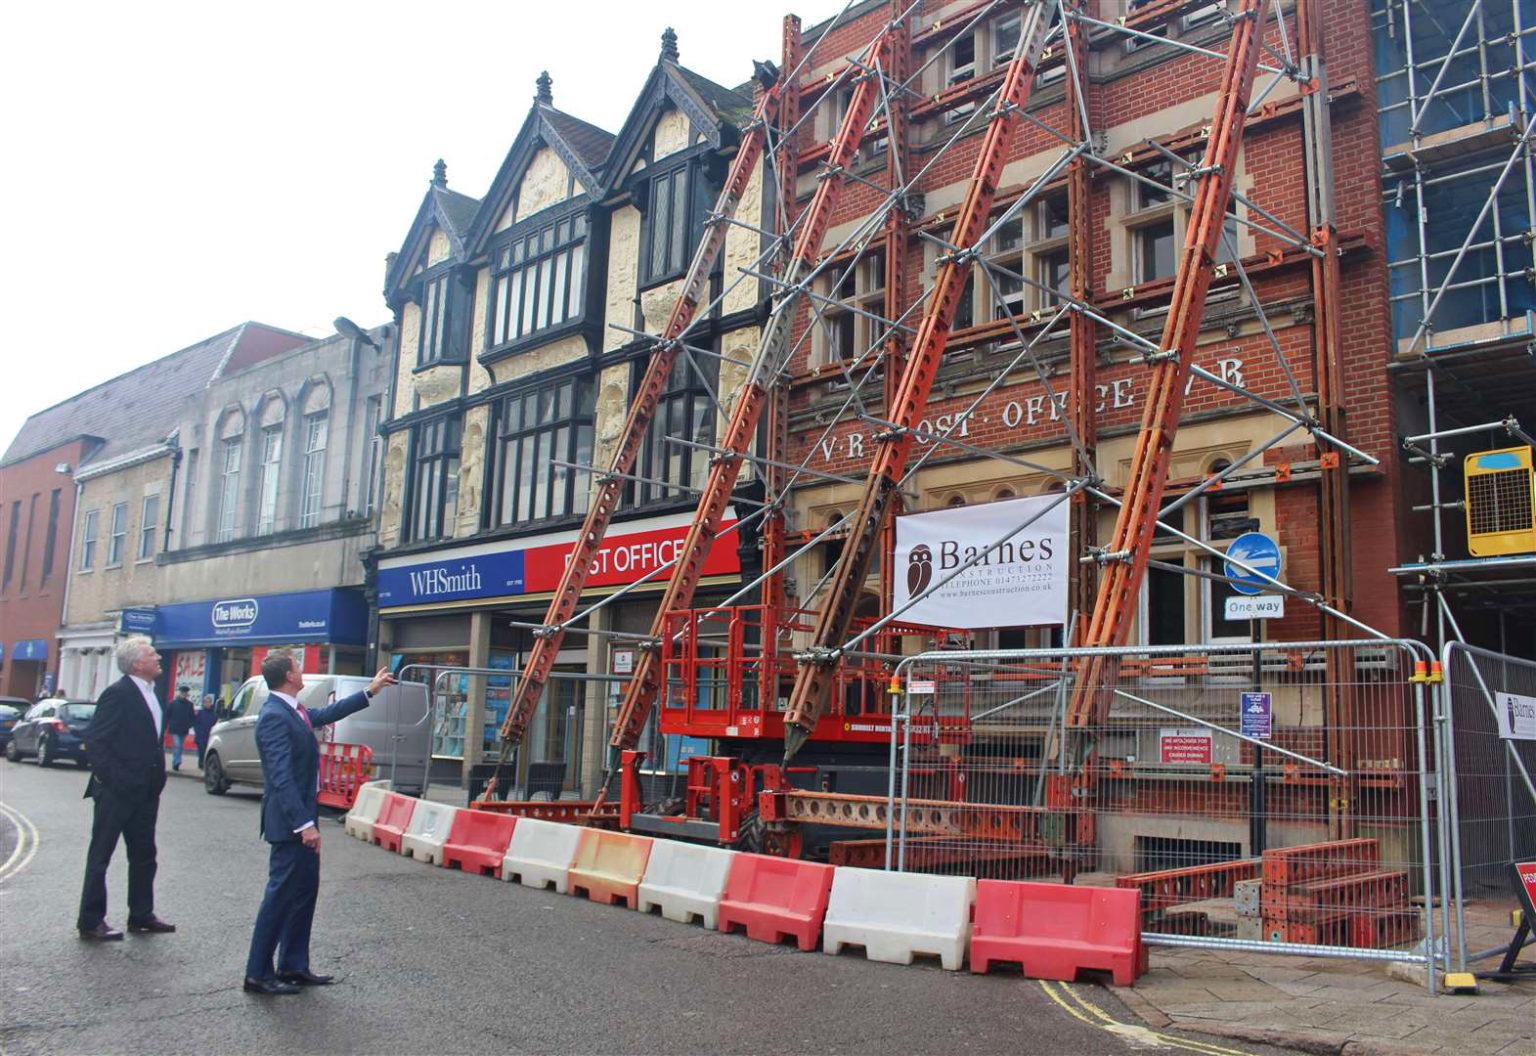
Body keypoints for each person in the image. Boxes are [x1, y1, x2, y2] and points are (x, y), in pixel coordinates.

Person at [243, 653, 395, 995]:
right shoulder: (273, 716)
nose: (302, 671)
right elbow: (280, 777)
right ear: (287, 676)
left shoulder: (293, 709)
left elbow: (327, 714)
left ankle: (294, 964)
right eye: (298, 668)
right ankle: (257, 973)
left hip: (304, 817)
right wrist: (303, 825)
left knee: (303, 893)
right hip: (290, 823)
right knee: (279, 896)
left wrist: (370, 691)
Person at [76, 636, 175, 941]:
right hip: (117, 791)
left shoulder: (151, 692)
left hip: (145, 793)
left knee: (145, 855)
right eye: (152, 654)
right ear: (136, 664)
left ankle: (141, 914)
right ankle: (91, 920)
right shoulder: (117, 693)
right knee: (101, 856)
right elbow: (96, 741)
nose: (158, 657)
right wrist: (116, 780)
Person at [166, 685, 195, 771]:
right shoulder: (173, 703)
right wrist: (168, 724)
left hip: (184, 728)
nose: (184, 694)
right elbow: (168, 715)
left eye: (185, 693)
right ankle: (177, 762)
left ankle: (176, 760)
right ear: (180, 693)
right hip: (174, 728)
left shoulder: (189, 705)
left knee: (180, 746)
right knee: (177, 745)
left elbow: (191, 716)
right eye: (183, 693)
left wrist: (190, 724)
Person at [193, 694, 218, 768]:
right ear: (203, 703)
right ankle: (201, 763)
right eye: (206, 702)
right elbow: (195, 723)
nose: (207, 704)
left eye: (209, 702)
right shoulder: (200, 713)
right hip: (201, 736)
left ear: (211, 703)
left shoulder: (214, 714)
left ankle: (205, 764)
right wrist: (198, 732)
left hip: (209, 736)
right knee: (201, 751)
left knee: (207, 752)